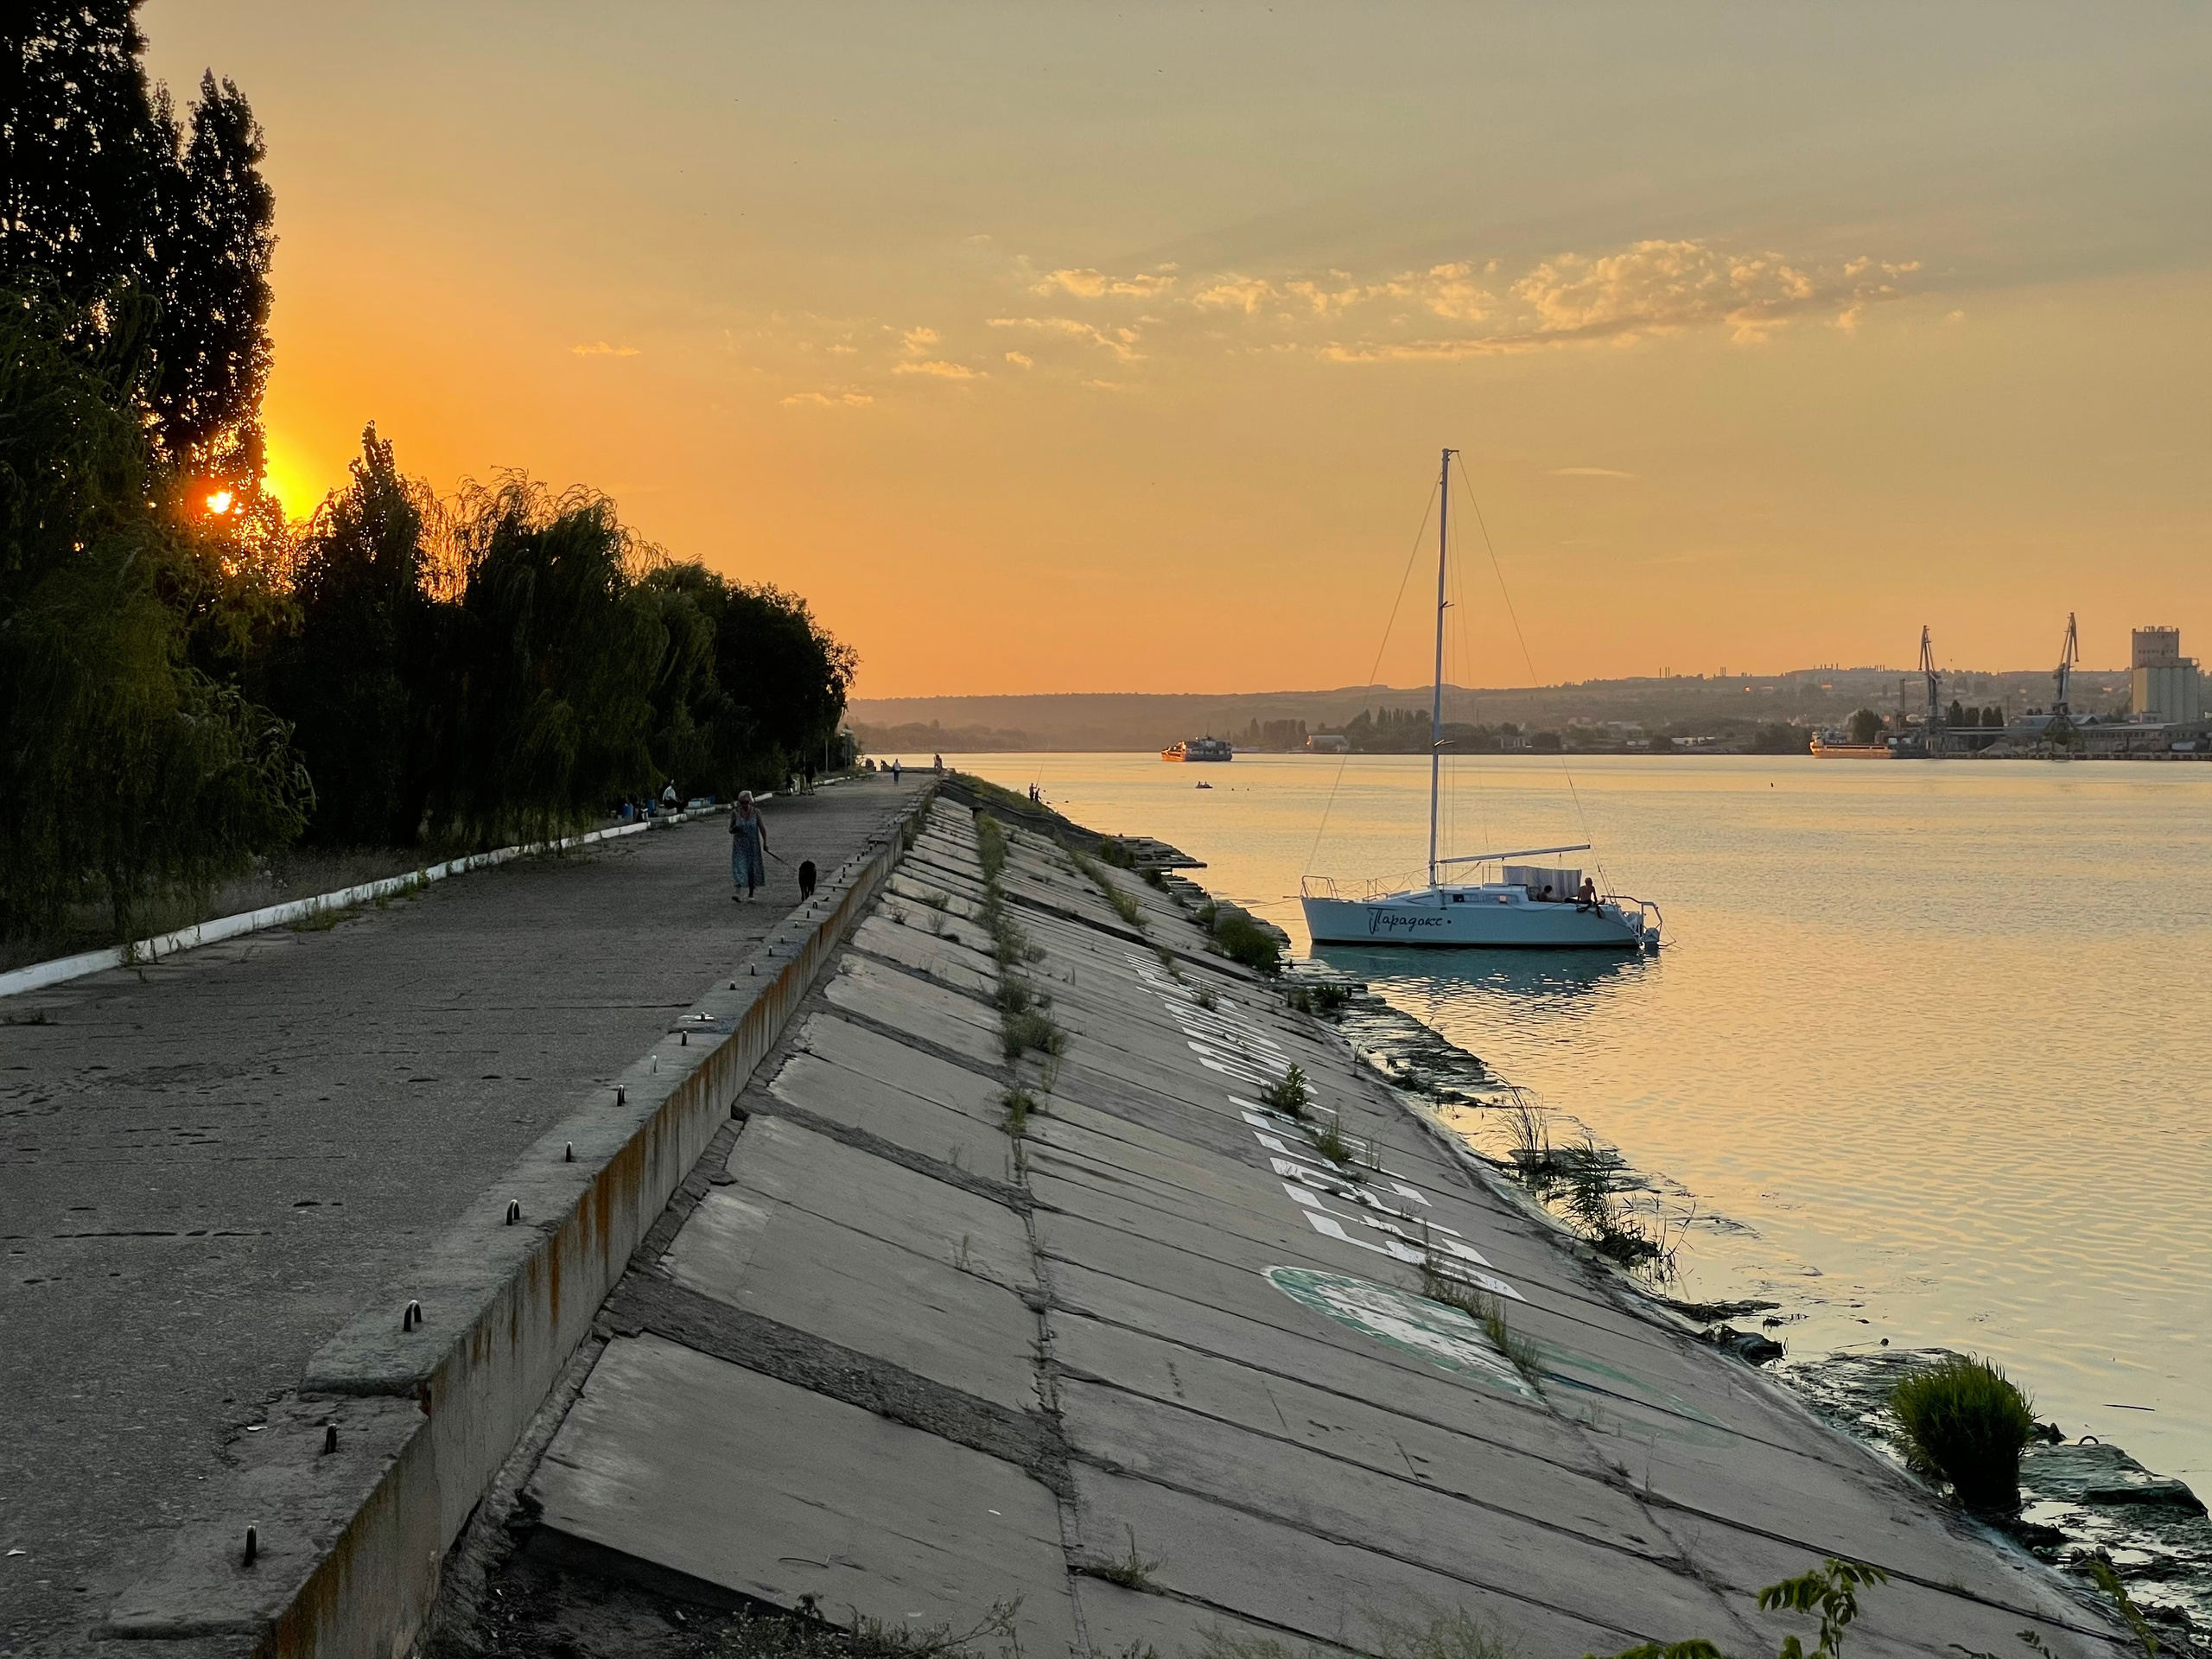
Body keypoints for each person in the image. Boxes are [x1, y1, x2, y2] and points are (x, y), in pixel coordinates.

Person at [729, 791, 768, 902]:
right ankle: (737, 893)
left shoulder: (756, 812)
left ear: (749, 801)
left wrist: (765, 843)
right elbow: (730, 829)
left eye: (746, 802)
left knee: (752, 869)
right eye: (742, 802)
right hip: (739, 845)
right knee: (739, 867)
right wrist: (734, 829)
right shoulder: (735, 813)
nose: (744, 805)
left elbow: (762, 828)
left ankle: (751, 894)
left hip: (753, 845)